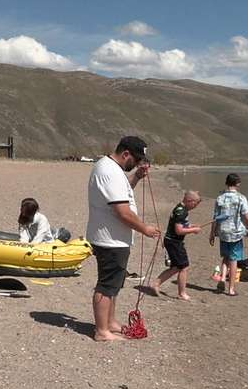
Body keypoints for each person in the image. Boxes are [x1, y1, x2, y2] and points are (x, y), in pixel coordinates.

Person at [86, 136, 160, 341]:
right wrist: (145, 229)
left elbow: (120, 193)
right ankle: (102, 331)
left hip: (114, 238)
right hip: (109, 239)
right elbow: (122, 212)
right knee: (107, 284)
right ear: (126, 153)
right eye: (136, 160)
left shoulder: (111, 169)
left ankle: (109, 322)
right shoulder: (109, 171)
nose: (137, 164)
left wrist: (136, 176)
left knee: (115, 285)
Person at [152, 190, 203, 300]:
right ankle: (182, 293)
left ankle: (156, 284)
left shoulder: (180, 208)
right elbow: (179, 230)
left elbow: (181, 224)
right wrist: (193, 230)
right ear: (189, 201)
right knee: (184, 267)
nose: (195, 207)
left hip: (172, 241)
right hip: (174, 242)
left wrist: (190, 226)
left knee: (176, 267)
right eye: (195, 204)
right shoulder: (181, 211)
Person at [209, 173, 248, 297]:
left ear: (226, 182)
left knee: (226, 257)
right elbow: (247, 216)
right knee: (234, 260)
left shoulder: (220, 198)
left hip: (222, 232)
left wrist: (212, 234)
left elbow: (215, 218)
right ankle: (231, 289)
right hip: (235, 233)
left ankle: (223, 279)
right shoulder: (240, 198)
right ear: (238, 183)